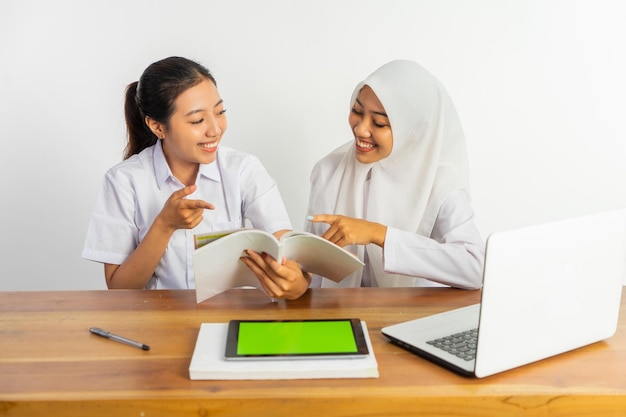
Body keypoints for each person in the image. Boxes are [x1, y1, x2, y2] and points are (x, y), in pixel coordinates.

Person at [82, 56, 309, 299]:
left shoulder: (243, 169)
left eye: (220, 112)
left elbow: (288, 250)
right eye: (197, 120)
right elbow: (120, 289)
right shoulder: (124, 181)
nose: (215, 129)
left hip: (228, 318)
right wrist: (164, 225)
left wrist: (298, 283)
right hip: (158, 322)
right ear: (157, 126)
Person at [306, 59, 484, 289]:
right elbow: (311, 270)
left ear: (413, 130)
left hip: (415, 320)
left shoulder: (439, 184)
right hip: (339, 316)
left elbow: (475, 267)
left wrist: (378, 234)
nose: (360, 129)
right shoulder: (328, 171)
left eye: (379, 123)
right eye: (356, 111)